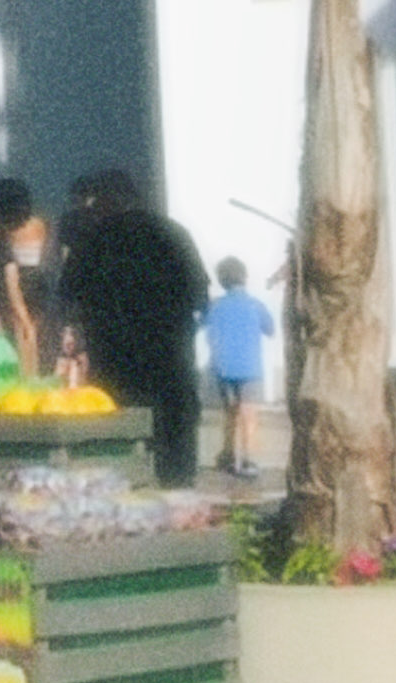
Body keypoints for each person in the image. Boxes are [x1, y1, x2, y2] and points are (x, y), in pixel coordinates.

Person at [57, 170, 212, 483]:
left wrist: (79, 330)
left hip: (114, 353)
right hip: (170, 351)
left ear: (103, 200)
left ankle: (122, 480)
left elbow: (67, 294)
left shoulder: (93, 239)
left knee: (117, 423)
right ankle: (178, 482)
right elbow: (201, 297)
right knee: (174, 423)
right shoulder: (173, 233)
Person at [205, 258, 276, 478]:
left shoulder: (215, 305)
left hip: (223, 367)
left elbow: (202, 327)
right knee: (249, 416)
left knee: (230, 414)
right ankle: (247, 460)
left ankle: (227, 455)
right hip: (250, 367)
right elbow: (271, 330)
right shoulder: (255, 305)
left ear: (221, 280)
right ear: (244, 277)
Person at [0, 177, 56, 375]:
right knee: (29, 339)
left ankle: (31, 380)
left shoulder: (2, 233)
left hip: (31, 292)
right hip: (28, 293)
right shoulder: (44, 226)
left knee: (30, 339)